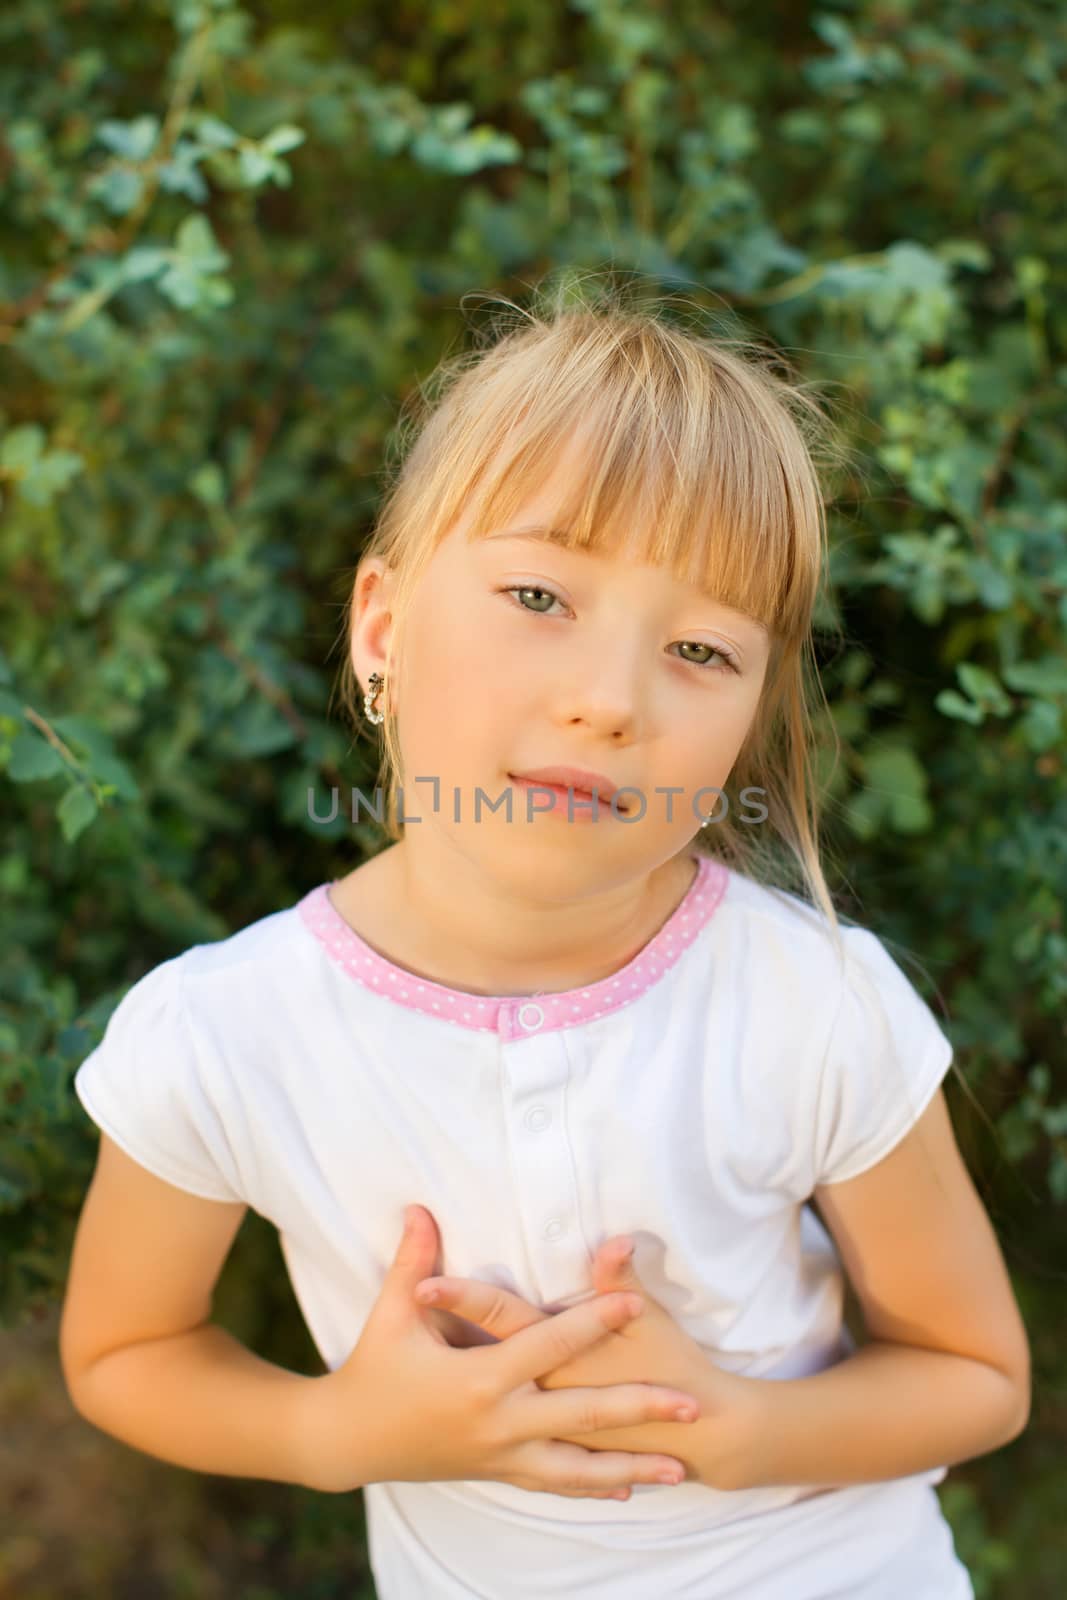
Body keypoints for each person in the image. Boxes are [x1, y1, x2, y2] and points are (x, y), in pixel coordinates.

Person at [60, 286, 1029, 1599]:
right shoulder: (224, 1035)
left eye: (700, 647)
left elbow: (976, 1377)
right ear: (383, 630)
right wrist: (332, 1431)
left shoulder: (813, 1002)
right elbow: (125, 1350)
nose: (609, 700)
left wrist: (744, 1433)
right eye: (538, 592)